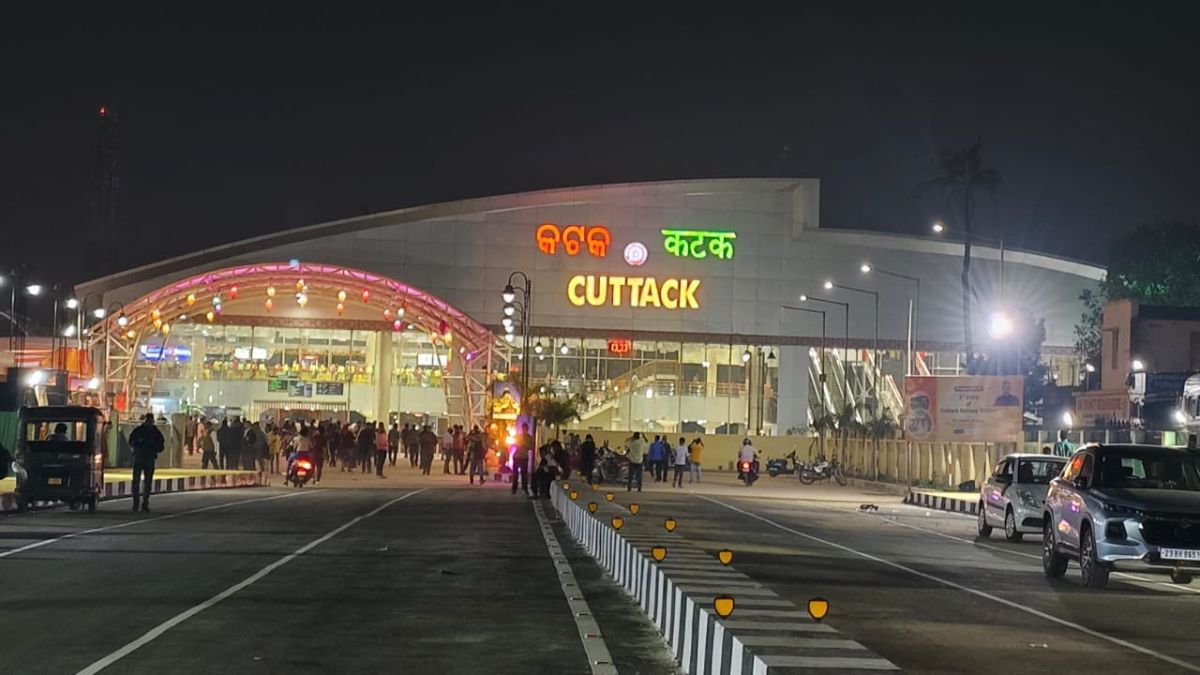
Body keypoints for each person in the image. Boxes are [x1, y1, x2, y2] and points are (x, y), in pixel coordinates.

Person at [128, 413, 164, 513]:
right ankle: (136, 503)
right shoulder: (139, 431)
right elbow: (131, 441)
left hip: (148, 458)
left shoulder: (155, 432)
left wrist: (153, 445)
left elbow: (161, 446)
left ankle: (144, 503)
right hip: (141, 458)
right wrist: (140, 442)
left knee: (147, 482)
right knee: (137, 481)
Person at [512, 423, 534, 495]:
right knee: (515, 474)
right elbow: (515, 445)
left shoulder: (530, 438)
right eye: (523, 429)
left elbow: (531, 447)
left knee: (524, 474)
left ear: (527, 429)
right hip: (517, 457)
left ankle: (525, 488)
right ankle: (514, 488)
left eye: (525, 429)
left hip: (524, 457)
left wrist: (526, 446)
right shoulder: (518, 437)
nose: (524, 430)